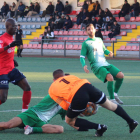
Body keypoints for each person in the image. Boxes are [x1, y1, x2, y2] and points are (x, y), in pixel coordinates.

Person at [49, 69, 138, 137]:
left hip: (77, 95)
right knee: (111, 105)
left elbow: (64, 105)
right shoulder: (70, 76)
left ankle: (100, 127)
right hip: (88, 86)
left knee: (69, 120)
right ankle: (131, 121)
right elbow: (82, 87)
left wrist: (77, 111)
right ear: (63, 75)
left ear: (54, 80)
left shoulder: (51, 89)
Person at [80, 24, 123, 104]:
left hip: (105, 63)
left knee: (121, 75)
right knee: (110, 77)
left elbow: (104, 50)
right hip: (96, 66)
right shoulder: (85, 43)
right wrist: (84, 65)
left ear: (95, 30)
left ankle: (115, 94)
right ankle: (112, 100)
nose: (91, 30)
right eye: (88, 29)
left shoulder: (99, 39)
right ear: (86, 32)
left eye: (92, 28)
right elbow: (82, 56)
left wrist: (109, 53)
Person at [0, 18, 32, 112]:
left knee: (27, 88)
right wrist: (9, 46)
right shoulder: (2, 38)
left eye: (16, 26)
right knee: (3, 99)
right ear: (7, 27)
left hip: (11, 69)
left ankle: (24, 113)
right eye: (13, 26)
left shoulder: (11, 38)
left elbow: (6, 54)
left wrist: (12, 60)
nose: (15, 28)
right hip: (2, 72)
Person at [0, 94, 65, 135]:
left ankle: (31, 129)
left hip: (40, 122)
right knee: (7, 125)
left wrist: (75, 126)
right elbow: (58, 99)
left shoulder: (66, 106)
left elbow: (70, 120)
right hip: (31, 114)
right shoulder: (53, 95)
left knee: (59, 129)